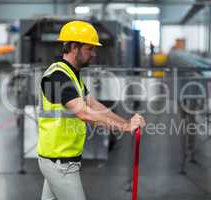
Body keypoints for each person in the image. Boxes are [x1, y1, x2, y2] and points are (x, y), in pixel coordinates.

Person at [37, 20, 146, 200]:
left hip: (57, 159)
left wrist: (126, 123)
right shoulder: (57, 77)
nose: (94, 54)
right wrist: (125, 127)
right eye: (89, 48)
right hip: (60, 163)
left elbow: (95, 106)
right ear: (74, 47)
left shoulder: (72, 75)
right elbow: (84, 113)